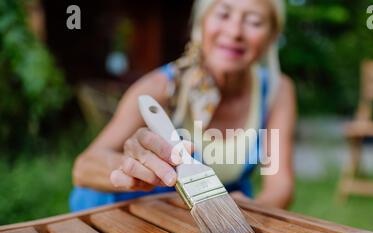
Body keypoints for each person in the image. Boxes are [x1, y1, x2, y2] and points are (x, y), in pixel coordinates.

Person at [70, 0, 297, 212]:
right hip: (130, 212)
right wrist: (128, 167)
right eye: (223, 14)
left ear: (272, 36)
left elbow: (280, 185)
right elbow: (83, 167)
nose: (235, 32)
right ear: (202, 22)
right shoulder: (159, 88)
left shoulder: (276, 91)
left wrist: (251, 209)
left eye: (254, 22)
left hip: (210, 217)